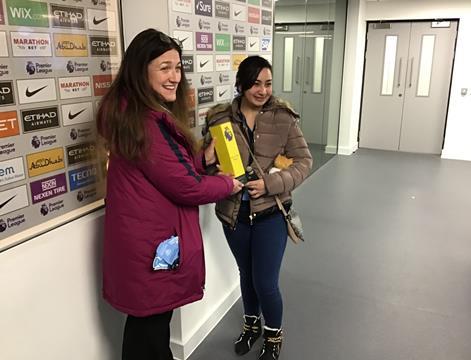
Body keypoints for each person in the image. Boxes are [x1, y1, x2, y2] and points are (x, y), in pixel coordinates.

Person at [96, 28, 243, 360]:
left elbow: (167, 170)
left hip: (144, 243)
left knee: (148, 327)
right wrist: (228, 184)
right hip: (152, 247)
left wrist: (201, 160)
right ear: (140, 70)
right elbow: (186, 186)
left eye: (177, 67)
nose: (175, 76)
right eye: (165, 67)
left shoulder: (131, 113)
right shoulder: (146, 123)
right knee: (148, 330)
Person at [203, 56, 312, 360]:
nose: (262, 90)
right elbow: (205, 171)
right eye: (255, 83)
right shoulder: (218, 118)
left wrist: (271, 185)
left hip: (271, 214)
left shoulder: (283, 117)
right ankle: (251, 326)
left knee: (265, 280)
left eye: (267, 83)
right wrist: (208, 162)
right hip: (233, 214)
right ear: (241, 85)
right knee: (246, 274)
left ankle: (273, 336)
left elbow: (304, 161)